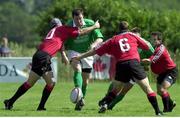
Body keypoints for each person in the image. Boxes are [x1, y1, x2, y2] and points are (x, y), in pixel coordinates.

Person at [3, 17, 100, 111]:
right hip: (44, 57)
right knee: (31, 83)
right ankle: (10, 102)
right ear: (59, 25)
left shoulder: (52, 32)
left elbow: (60, 42)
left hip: (40, 55)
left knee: (50, 83)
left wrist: (63, 55)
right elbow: (81, 32)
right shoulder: (61, 29)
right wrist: (94, 26)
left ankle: (39, 106)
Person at [73, 21, 162, 116]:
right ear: (128, 29)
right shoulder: (132, 35)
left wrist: (80, 57)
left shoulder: (113, 39)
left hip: (121, 65)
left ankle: (106, 103)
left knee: (116, 89)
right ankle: (158, 111)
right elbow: (146, 46)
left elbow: (95, 50)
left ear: (118, 29)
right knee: (148, 89)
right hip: (134, 63)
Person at [104, 27, 155, 110]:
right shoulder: (128, 42)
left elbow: (154, 56)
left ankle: (110, 106)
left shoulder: (145, 44)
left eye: (137, 36)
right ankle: (106, 100)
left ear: (140, 36)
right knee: (114, 85)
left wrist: (147, 63)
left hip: (136, 71)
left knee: (124, 90)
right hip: (126, 68)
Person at [63, 8, 104, 110]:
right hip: (73, 51)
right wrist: (63, 54)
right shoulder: (68, 25)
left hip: (87, 53)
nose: (79, 21)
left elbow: (100, 38)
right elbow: (62, 41)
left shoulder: (89, 23)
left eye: (81, 18)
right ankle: (78, 93)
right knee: (77, 69)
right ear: (73, 18)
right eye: (76, 19)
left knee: (85, 81)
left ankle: (80, 100)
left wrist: (94, 44)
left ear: (83, 16)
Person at [142, 31, 178, 112]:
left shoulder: (160, 49)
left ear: (160, 40)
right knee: (159, 91)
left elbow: (150, 60)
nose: (152, 41)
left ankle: (167, 109)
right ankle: (171, 104)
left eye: (154, 39)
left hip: (171, 71)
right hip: (162, 72)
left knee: (162, 90)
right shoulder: (154, 48)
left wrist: (136, 61)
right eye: (151, 39)